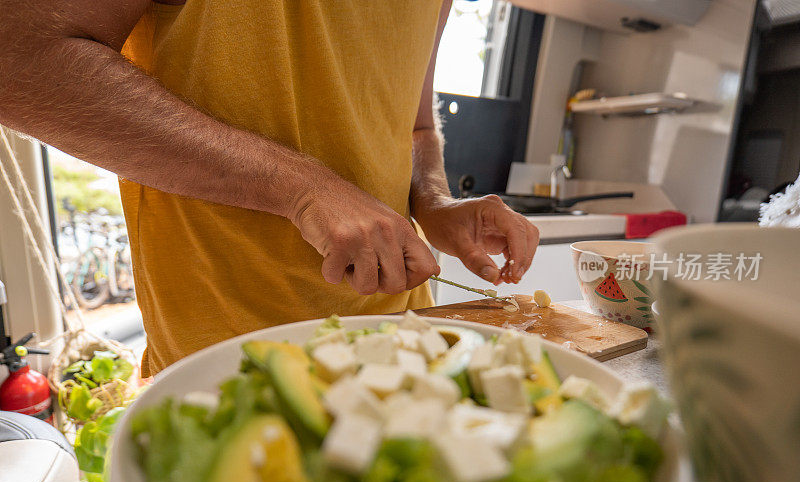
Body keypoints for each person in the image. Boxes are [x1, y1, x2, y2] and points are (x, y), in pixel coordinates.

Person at [0, 0, 540, 376]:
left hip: (403, 336)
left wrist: (435, 200)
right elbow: (18, 58)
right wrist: (304, 190)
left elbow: (415, 125)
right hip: (226, 358)